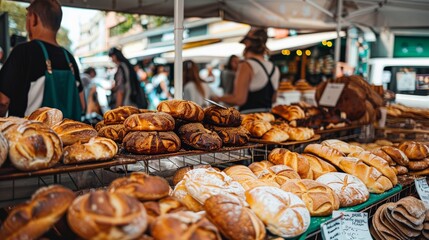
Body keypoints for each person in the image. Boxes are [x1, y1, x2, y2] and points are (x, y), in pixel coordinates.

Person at [0, 0, 84, 119]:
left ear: (33, 18)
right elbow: (82, 104)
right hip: (67, 135)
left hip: (29, 136)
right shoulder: (69, 58)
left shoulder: (23, 52)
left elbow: (2, 101)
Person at [212, 28, 280, 112]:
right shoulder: (274, 67)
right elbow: (273, 99)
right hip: (268, 116)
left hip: (249, 119)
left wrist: (217, 98)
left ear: (247, 44)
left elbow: (239, 99)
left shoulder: (247, 65)